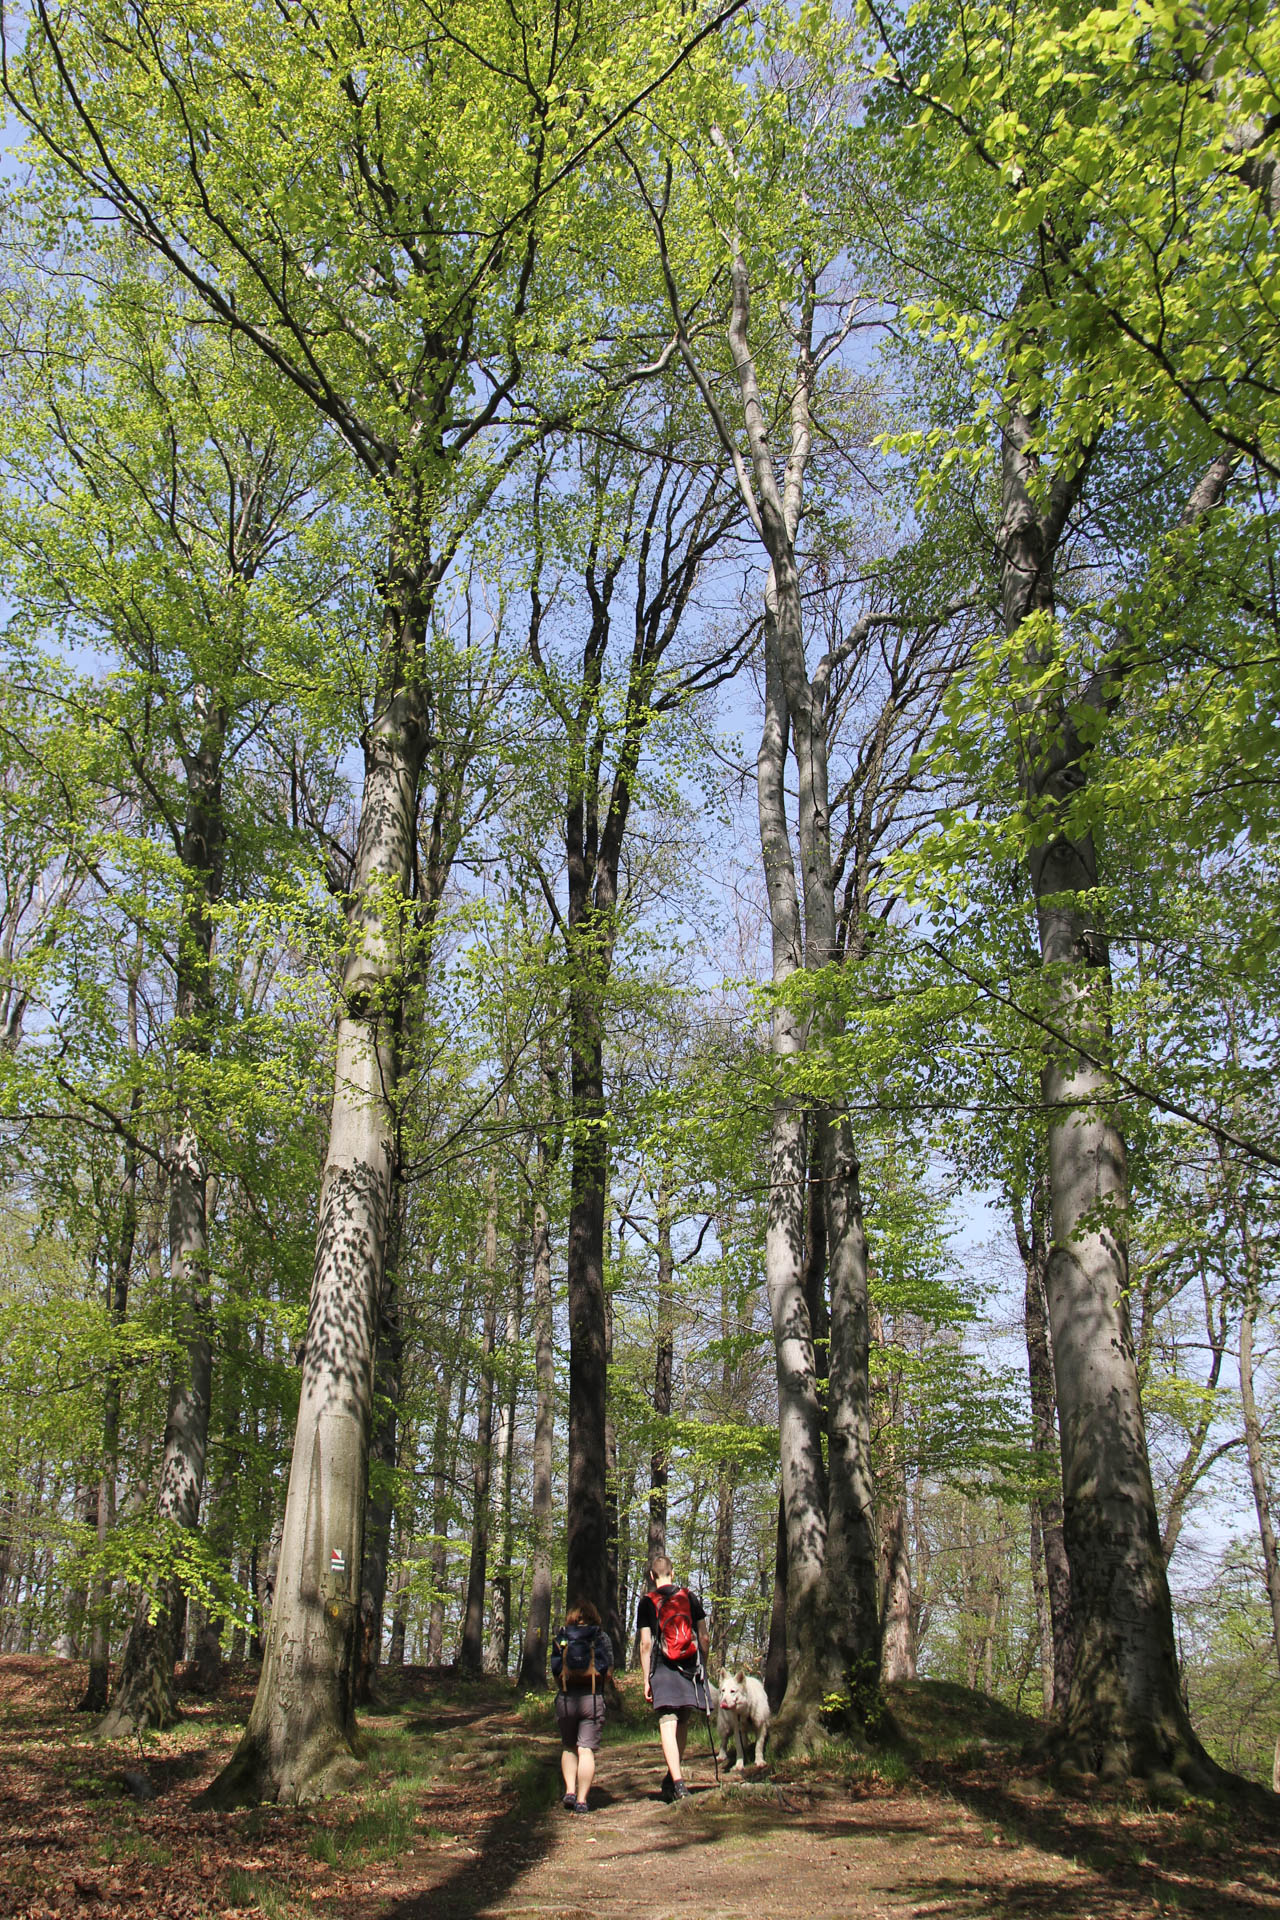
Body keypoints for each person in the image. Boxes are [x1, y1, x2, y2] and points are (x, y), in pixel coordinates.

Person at [636, 1555, 710, 1802]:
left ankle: (676, 1781)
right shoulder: (689, 1597)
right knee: (683, 1721)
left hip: (663, 1667)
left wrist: (646, 1678)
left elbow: (646, 1644)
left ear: (651, 1576)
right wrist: (703, 1666)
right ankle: (674, 1777)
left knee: (668, 1720)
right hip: (688, 1667)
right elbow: (704, 1637)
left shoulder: (647, 1602)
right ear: (673, 1572)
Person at [551, 1600, 615, 1813]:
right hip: (592, 1698)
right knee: (586, 1750)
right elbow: (608, 1673)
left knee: (569, 1747)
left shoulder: (562, 1636)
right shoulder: (601, 1638)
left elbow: (555, 1669)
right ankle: (581, 1800)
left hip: (566, 1699)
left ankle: (569, 1791)